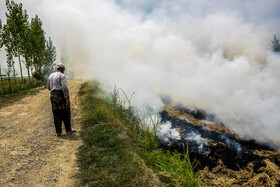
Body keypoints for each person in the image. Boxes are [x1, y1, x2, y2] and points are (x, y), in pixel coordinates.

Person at [47, 63, 74, 136]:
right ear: (61, 68)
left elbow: (49, 87)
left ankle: (58, 132)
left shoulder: (51, 75)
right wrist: (67, 99)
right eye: (64, 68)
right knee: (66, 112)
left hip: (53, 96)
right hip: (60, 95)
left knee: (56, 113)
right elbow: (64, 88)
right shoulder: (62, 76)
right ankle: (68, 130)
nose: (64, 70)